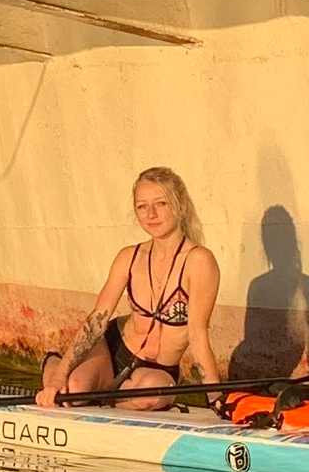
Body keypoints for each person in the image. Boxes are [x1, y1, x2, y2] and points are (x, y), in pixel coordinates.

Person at [36, 167, 221, 409]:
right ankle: (53, 361)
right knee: (73, 391)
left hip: (155, 371)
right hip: (115, 351)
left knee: (150, 396)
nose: (151, 214)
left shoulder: (199, 261)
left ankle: (106, 400)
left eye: (161, 204)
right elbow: (97, 320)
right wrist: (60, 374)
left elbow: (197, 334)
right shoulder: (129, 257)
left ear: (181, 206)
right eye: (142, 206)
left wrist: (217, 400)